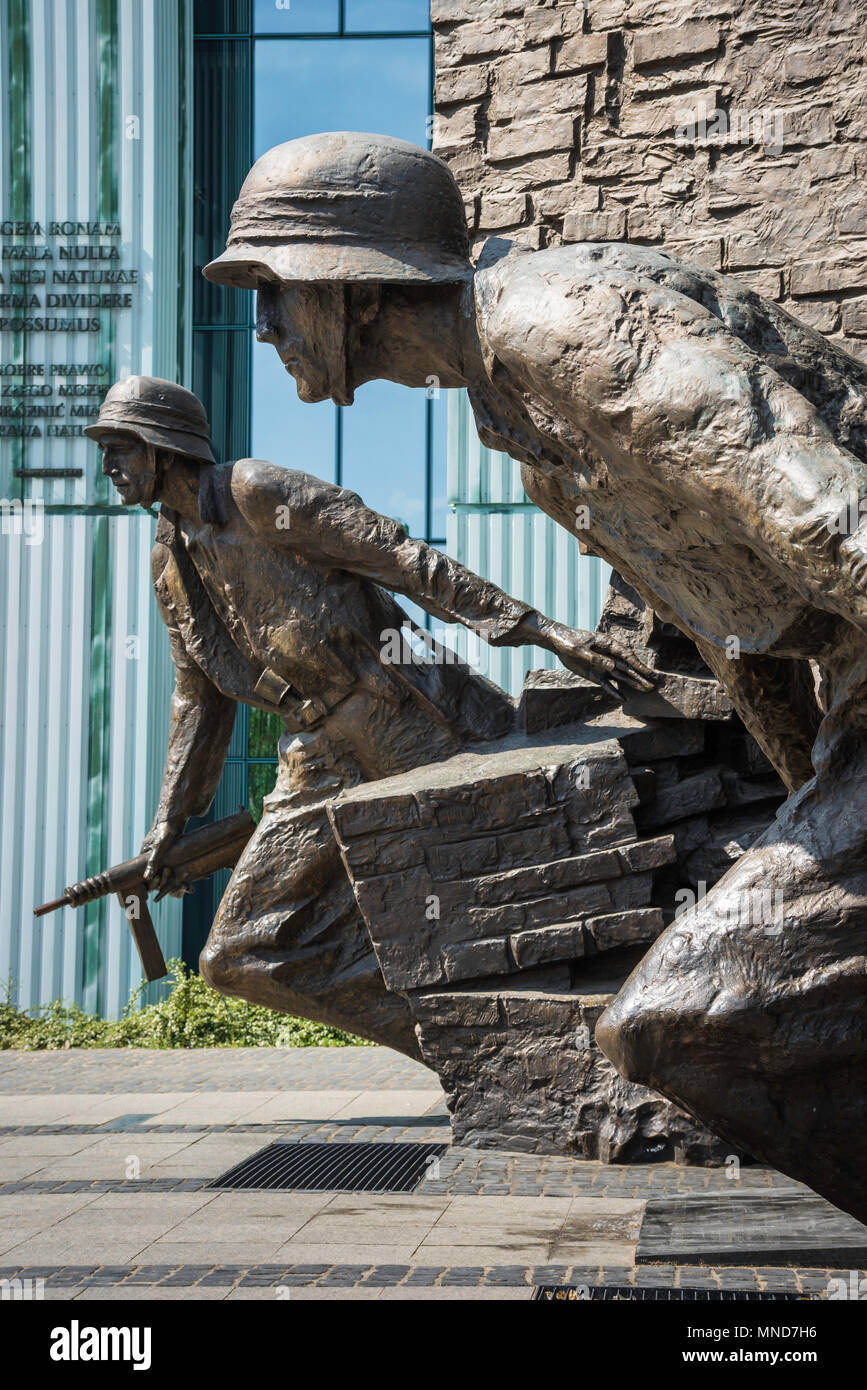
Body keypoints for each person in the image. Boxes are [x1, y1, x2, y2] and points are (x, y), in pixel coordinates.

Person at [203, 131, 867, 1219]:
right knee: (691, 1023)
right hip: (852, 710)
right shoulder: (503, 396)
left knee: (689, 1017)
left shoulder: (553, 325)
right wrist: (807, 802)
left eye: (273, 289)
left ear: (352, 285)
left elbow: (816, 500)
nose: (265, 325)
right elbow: (733, 628)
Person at [86, 374, 649, 1059]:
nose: (108, 466)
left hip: (407, 721)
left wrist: (539, 630)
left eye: (118, 447)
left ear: (163, 446)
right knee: (237, 954)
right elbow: (196, 698)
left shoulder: (257, 492)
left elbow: (405, 561)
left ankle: (597, 1040)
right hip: (313, 755)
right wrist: (166, 831)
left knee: (511, 897)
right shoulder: (167, 558)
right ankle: (484, 1051)